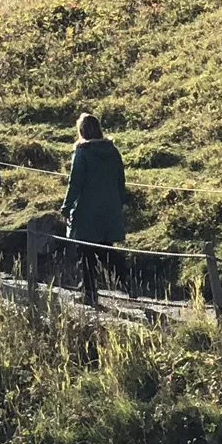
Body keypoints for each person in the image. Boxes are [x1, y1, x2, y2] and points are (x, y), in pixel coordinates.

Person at [62, 113, 127, 307]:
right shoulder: (112, 151)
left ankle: (89, 293)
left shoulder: (82, 153)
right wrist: (119, 202)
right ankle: (127, 281)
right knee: (106, 249)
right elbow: (120, 179)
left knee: (86, 253)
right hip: (109, 208)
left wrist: (66, 207)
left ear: (81, 131)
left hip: (86, 211)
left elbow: (75, 183)